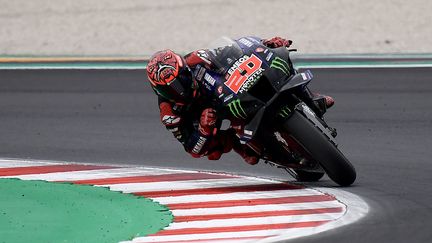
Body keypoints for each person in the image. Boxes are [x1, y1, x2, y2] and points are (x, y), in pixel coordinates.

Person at [145, 36, 334, 165]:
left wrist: (267, 43)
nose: (178, 88)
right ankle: (241, 145)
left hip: (227, 91)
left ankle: (310, 97)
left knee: (275, 62)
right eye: (169, 88)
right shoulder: (169, 113)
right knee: (213, 151)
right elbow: (192, 149)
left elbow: (239, 47)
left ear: (184, 68)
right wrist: (203, 130)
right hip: (208, 116)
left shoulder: (197, 58)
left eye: (179, 80)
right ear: (158, 89)